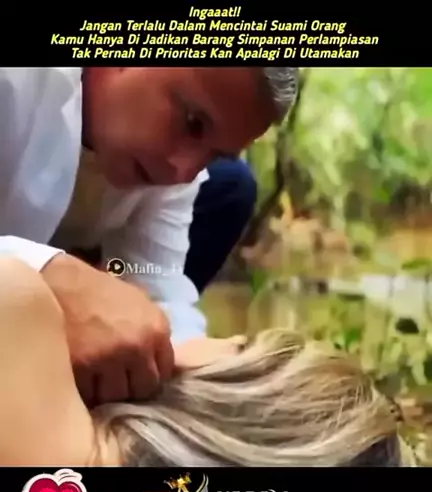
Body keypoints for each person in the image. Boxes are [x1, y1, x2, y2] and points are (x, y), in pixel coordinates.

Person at [0, 67, 298, 407]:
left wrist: (194, 357)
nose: (183, 171)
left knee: (233, 186)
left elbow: (159, 280)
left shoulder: (174, 169)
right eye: (193, 123)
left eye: (214, 155)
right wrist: (52, 278)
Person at [0, 256, 414, 468]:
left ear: (239, 405)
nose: (222, 337)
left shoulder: (17, 302)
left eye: (242, 345)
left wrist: (58, 277)